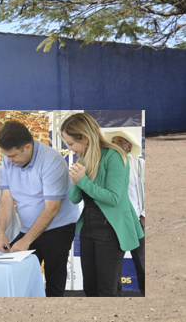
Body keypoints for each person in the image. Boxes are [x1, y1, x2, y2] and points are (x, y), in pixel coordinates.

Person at [62, 114, 144, 297]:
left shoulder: (114, 155)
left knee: (107, 290)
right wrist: (76, 179)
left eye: (70, 143)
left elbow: (114, 198)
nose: (69, 149)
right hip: (88, 228)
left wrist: (82, 180)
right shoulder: (83, 159)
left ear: (84, 138)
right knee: (90, 288)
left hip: (111, 228)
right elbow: (74, 199)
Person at [0, 120, 79, 297]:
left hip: (58, 228)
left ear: (27, 147)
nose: (9, 160)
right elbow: (6, 198)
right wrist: (1, 233)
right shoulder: (8, 158)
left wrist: (26, 240)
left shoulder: (52, 161)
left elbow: (52, 208)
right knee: (19, 280)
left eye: (13, 156)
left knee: (54, 281)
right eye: (6, 156)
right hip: (27, 227)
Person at [103, 128, 145, 296]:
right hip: (114, 223)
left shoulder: (140, 164)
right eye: (113, 142)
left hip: (136, 221)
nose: (115, 145)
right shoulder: (104, 163)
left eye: (119, 142)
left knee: (143, 265)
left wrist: (144, 215)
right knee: (114, 269)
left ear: (128, 147)